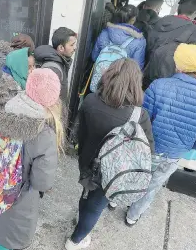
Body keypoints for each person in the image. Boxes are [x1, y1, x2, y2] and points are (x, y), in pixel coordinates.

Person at [65, 59, 154, 250]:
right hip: (113, 173)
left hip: (88, 161)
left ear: (108, 76)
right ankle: (76, 240)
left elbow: (80, 132)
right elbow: (148, 151)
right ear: (135, 84)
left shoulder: (90, 101)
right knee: (96, 206)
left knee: (88, 192)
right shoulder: (139, 115)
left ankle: (81, 217)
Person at [126, 44, 196, 227]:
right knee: (154, 184)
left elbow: (142, 118)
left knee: (132, 172)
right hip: (174, 154)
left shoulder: (159, 85)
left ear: (180, 66)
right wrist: (188, 145)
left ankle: (116, 199)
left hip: (147, 145)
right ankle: (133, 215)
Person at [0, 68, 64, 250]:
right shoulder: (44, 135)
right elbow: (42, 182)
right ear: (53, 100)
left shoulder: (5, 109)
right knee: (13, 236)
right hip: (19, 200)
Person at [144, 0, 196, 88]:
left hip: (148, 79)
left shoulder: (157, 23)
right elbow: (194, 68)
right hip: (174, 86)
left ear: (178, 8)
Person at [92, 5, 146, 70]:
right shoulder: (139, 40)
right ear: (133, 19)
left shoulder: (104, 32)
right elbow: (137, 67)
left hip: (101, 74)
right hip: (121, 78)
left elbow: (94, 57)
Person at [34, 27, 77, 102]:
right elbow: (47, 100)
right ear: (61, 48)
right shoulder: (53, 69)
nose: (75, 48)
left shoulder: (60, 61)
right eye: (72, 45)